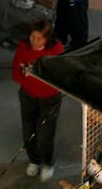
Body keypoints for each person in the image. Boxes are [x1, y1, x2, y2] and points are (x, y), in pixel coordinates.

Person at [12, 19, 66, 182]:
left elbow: (60, 78)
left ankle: (48, 164)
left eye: (39, 38)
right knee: (28, 132)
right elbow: (16, 72)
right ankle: (34, 160)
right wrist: (26, 75)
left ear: (47, 39)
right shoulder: (23, 46)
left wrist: (38, 76)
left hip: (50, 99)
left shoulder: (56, 49)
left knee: (45, 135)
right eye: (32, 37)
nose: (35, 42)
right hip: (28, 96)